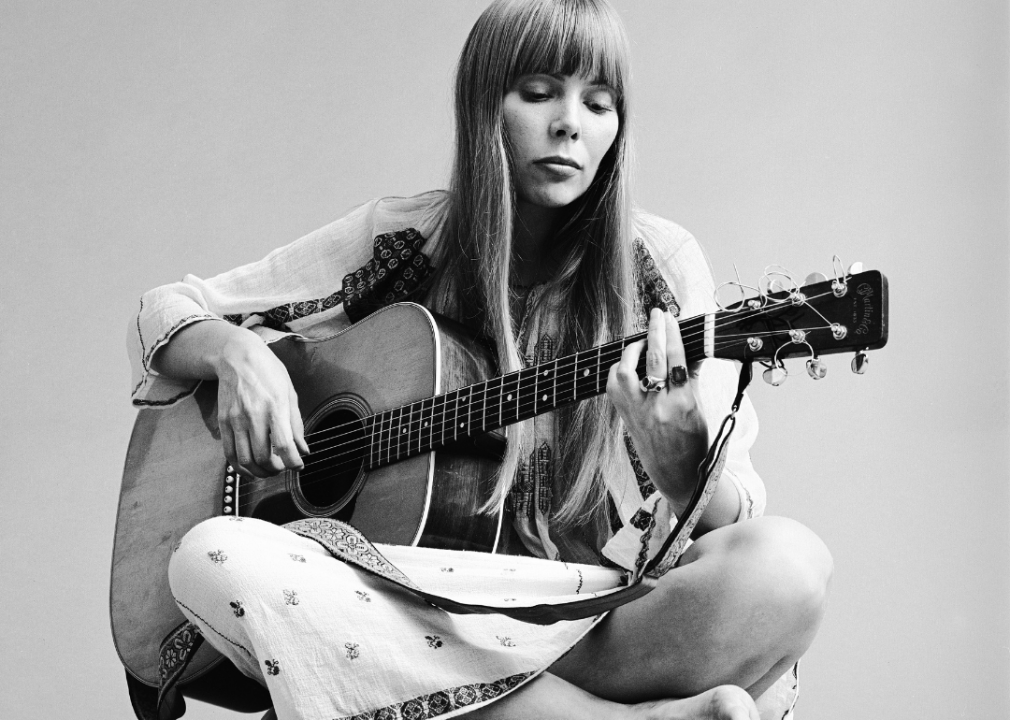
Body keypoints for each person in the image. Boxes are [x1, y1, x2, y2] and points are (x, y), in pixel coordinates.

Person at [128, 1, 832, 718]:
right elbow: (167, 310)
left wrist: (686, 469)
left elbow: (739, 507)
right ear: (483, 105)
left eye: (599, 102)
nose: (570, 124)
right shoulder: (405, 238)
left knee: (789, 568)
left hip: (580, 609)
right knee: (210, 555)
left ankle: (443, 693)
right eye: (538, 93)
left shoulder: (658, 267)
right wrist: (238, 354)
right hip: (409, 597)